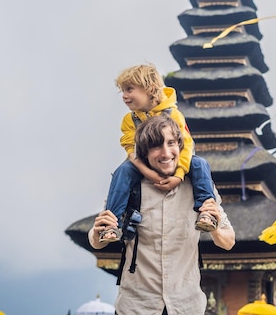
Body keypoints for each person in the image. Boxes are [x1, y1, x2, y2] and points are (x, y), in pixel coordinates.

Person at [89, 115, 235, 315]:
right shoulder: (129, 186)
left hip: (186, 306)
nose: (166, 153)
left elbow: (228, 242)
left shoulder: (200, 187)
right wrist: (98, 232)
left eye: (171, 143)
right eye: (157, 146)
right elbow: (97, 242)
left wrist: (215, 226)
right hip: (137, 306)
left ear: (180, 146)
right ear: (144, 153)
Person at [101, 64, 217, 242]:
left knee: (200, 164)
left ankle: (207, 211)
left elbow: (186, 146)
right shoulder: (130, 119)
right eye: (123, 91)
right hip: (141, 162)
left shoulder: (174, 115)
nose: (124, 96)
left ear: (149, 89)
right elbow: (131, 150)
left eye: (129, 89)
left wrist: (178, 175)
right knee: (122, 172)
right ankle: (111, 223)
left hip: (173, 160)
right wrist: (148, 173)